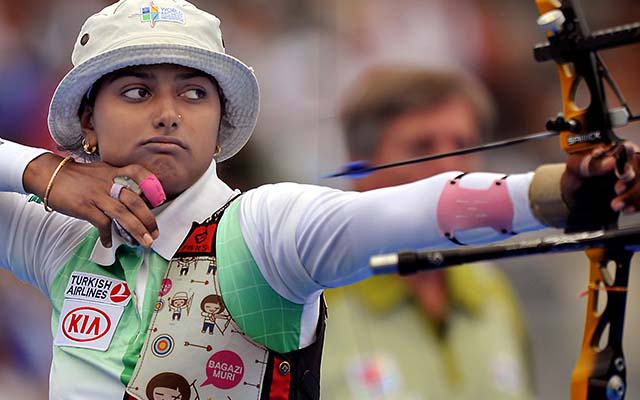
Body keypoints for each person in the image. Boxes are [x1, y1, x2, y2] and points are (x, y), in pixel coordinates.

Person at [0, 1, 638, 399]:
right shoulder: (62, 239)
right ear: (88, 120)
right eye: (136, 92)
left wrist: (557, 192)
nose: (168, 114)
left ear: (221, 124)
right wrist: (41, 173)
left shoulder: (263, 230)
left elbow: (406, 210)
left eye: (194, 93)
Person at [321, 66, 534, 399]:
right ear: (358, 166)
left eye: (463, 145)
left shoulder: (493, 291)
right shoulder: (312, 300)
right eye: (422, 146)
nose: (450, 170)